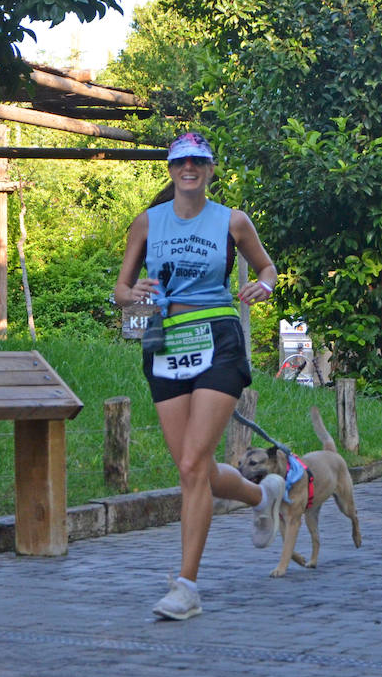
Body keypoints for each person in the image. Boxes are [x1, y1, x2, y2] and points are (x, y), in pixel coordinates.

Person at [113, 132, 285, 620]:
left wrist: (264, 286)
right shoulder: (148, 221)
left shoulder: (232, 220)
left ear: (210, 170)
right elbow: (121, 290)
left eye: (199, 162)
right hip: (163, 339)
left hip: (218, 337)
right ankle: (262, 493)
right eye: (180, 162)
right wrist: (133, 293)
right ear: (170, 170)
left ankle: (186, 588)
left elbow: (267, 266)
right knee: (197, 469)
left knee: (191, 465)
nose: (189, 168)